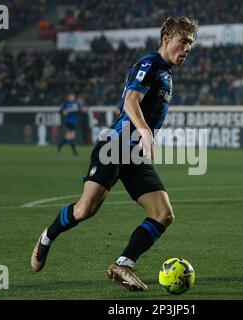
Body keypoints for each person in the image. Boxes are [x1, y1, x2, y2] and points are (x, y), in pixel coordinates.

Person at [31, 16, 199, 292]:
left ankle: (123, 264)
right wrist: (144, 131)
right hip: (115, 146)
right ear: (166, 39)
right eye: (183, 42)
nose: (187, 49)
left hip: (134, 155)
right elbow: (131, 101)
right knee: (85, 210)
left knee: (163, 214)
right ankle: (47, 236)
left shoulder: (167, 74)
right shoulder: (149, 65)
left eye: (190, 44)